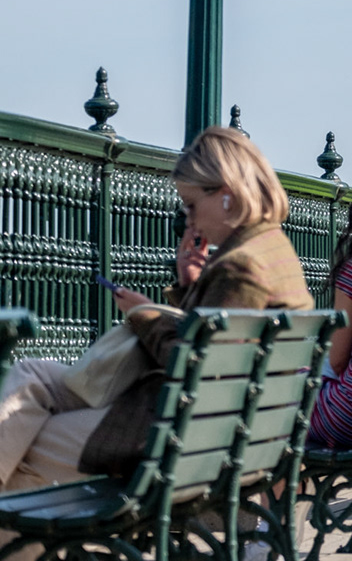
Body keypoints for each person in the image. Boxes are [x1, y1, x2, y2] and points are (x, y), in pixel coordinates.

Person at [0, 126, 313, 492]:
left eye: (192, 205)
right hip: (225, 426)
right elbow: (220, 346)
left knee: (25, 445)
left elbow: (193, 365)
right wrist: (190, 285)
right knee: (32, 374)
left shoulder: (241, 266)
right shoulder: (273, 250)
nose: (189, 220)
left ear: (226, 195)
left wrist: (144, 313)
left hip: (171, 433)